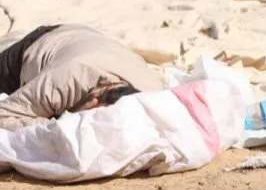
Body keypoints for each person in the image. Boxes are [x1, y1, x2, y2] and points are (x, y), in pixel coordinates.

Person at [0, 23, 162, 131]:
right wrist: (62, 124)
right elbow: (4, 115)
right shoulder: (64, 81)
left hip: (90, 41)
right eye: (93, 112)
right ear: (104, 89)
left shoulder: (153, 96)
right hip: (41, 43)